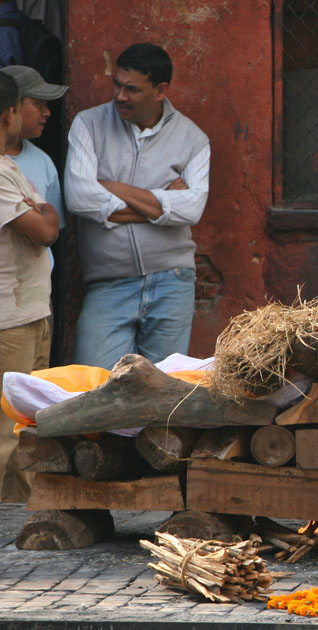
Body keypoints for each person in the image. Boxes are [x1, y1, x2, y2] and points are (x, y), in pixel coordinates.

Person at [64, 42, 210, 370]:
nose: (120, 96)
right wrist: (161, 203)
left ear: (161, 90)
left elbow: (192, 210)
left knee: (163, 396)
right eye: (117, 84)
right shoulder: (88, 125)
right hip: (108, 282)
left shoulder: (193, 138)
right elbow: (79, 198)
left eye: (132, 89)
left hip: (173, 282)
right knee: (95, 389)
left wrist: (113, 188)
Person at [0, 70, 58, 501]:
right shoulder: (1, 177)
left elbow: (45, 219)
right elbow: (45, 228)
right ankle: (11, 515)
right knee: (9, 430)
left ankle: (21, 509)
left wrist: (43, 214)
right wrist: (42, 213)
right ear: (9, 114)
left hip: (33, 313)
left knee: (29, 422)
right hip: (10, 320)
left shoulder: (11, 166)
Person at [0, 65, 66, 261]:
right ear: (12, 110)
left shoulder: (43, 161)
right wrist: (44, 211)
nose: (47, 113)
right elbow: (47, 231)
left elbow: (55, 231)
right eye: (39, 104)